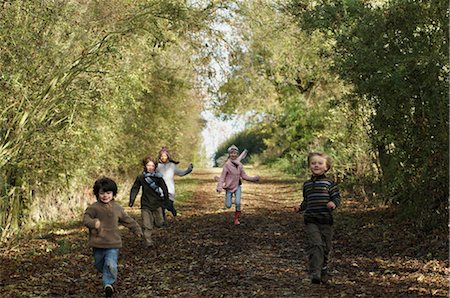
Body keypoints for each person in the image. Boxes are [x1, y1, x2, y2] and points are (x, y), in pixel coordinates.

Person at [83, 177, 142, 297]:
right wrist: (94, 223)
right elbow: (86, 219)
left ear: (113, 194)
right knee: (100, 264)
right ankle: (107, 275)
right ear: (97, 193)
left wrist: (136, 228)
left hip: (113, 243)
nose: (105, 196)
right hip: (98, 243)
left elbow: (127, 220)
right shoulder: (94, 208)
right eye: (102, 193)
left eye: (108, 193)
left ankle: (108, 284)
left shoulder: (117, 208)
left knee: (110, 264)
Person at [294, 152, 341, 284]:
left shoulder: (330, 183)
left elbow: (336, 197)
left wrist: (333, 203)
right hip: (311, 219)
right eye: (313, 163)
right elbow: (306, 201)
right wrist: (300, 207)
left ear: (326, 167)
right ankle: (315, 272)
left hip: (326, 220)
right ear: (309, 166)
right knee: (316, 244)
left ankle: (323, 268)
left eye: (320, 163)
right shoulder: (307, 185)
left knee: (326, 247)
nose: (316, 165)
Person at [129, 155, 170, 248]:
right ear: (145, 166)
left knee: (159, 222)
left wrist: (166, 200)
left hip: (157, 203)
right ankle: (148, 242)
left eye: (152, 166)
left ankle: (160, 222)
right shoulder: (141, 177)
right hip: (145, 204)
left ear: (155, 167)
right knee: (146, 225)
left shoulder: (158, 177)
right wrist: (132, 200)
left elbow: (164, 189)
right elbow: (135, 188)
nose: (150, 168)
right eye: (148, 165)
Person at [216, 145, 260, 225]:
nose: (233, 155)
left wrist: (254, 178)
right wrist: (219, 186)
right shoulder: (227, 165)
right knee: (228, 205)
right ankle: (218, 181)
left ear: (237, 154)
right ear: (229, 154)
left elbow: (244, 176)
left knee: (238, 203)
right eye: (231, 153)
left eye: (235, 153)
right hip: (229, 188)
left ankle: (236, 219)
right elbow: (222, 177)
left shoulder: (239, 165)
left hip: (237, 187)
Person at [157, 147, 193, 221]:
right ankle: (163, 221)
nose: (163, 157)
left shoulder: (172, 166)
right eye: (162, 156)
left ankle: (173, 210)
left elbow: (181, 173)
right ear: (159, 157)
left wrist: (189, 170)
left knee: (169, 205)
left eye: (165, 156)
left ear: (168, 156)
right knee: (161, 208)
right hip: (160, 191)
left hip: (170, 190)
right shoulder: (157, 166)